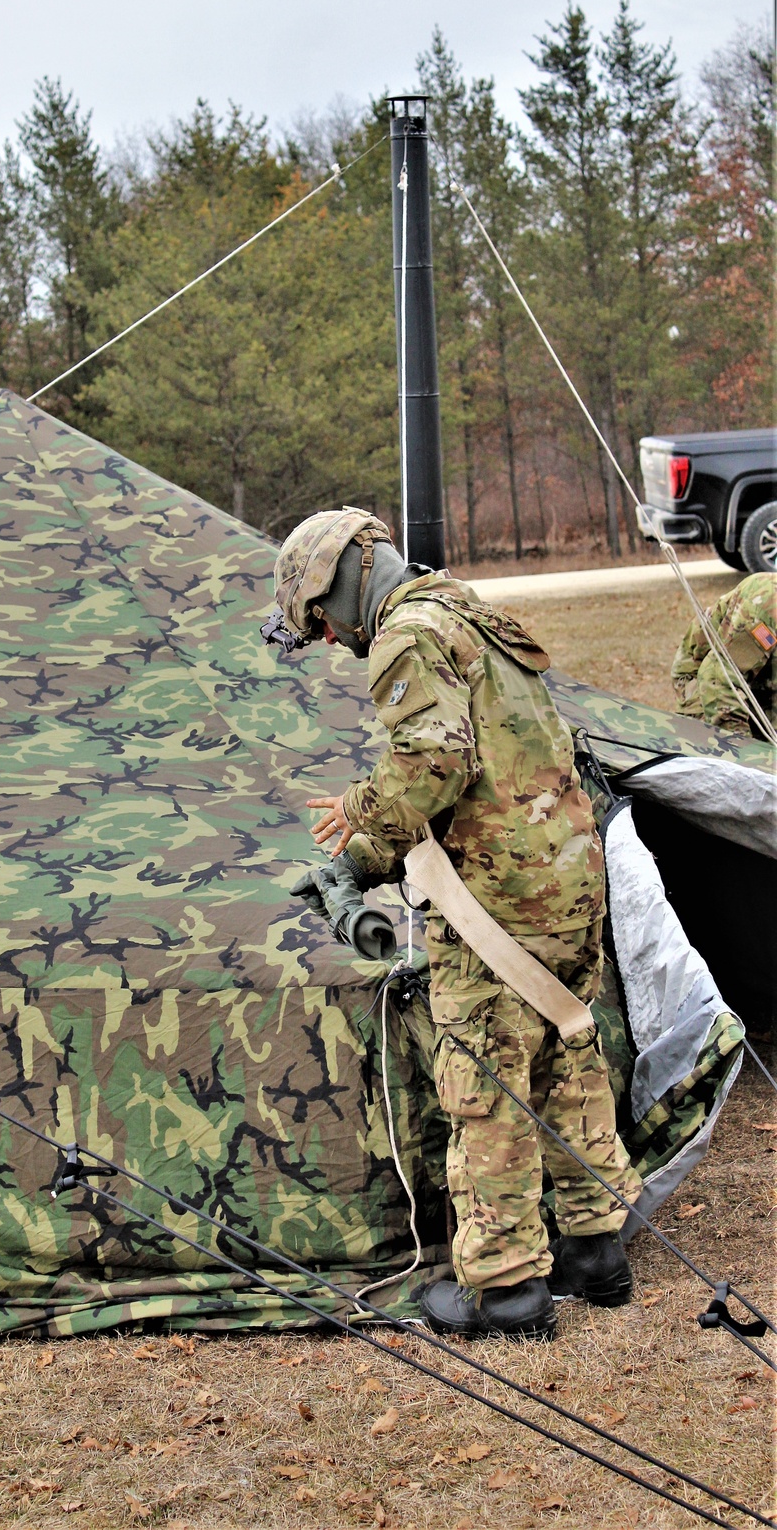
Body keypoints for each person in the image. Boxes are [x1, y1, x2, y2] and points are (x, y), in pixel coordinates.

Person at [271, 508, 642, 1341]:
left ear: (344, 583)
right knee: (567, 1054)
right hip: (567, 875)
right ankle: (594, 1252)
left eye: (321, 620)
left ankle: (508, 1291)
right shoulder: (469, 612)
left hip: (495, 902)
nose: (330, 640)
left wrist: (356, 816)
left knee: (487, 1082)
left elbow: (434, 767)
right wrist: (364, 862)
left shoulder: (408, 635)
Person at [671, 573, 776, 738]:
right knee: (740, 754)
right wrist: (742, 751)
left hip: (763, 684)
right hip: (707, 682)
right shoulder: (768, 602)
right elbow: (719, 679)